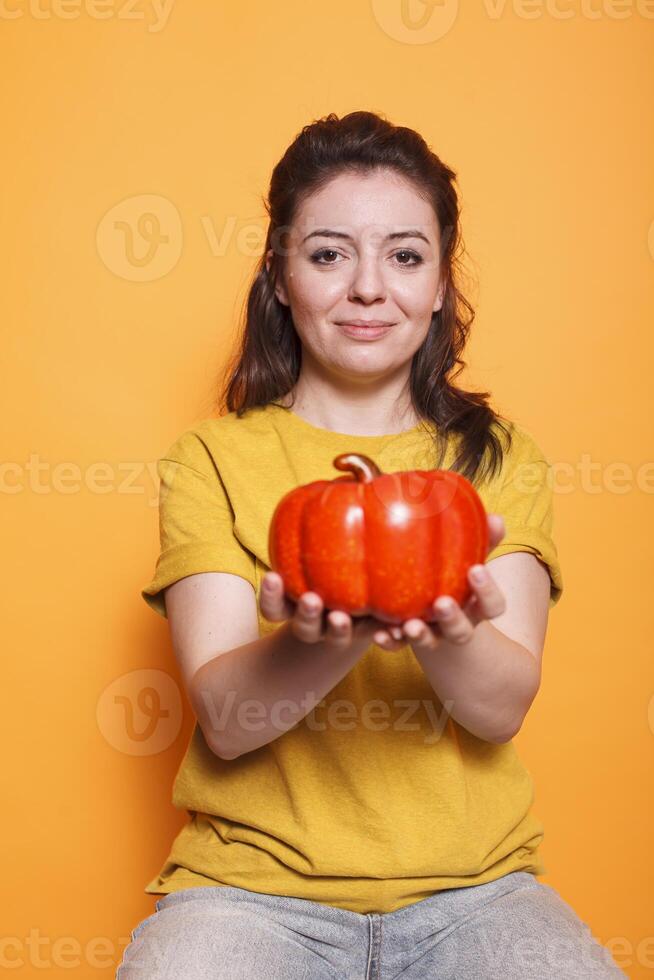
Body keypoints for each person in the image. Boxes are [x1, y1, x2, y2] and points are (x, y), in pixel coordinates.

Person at [117, 111, 625, 978]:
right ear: (280, 274)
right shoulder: (212, 459)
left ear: (438, 285)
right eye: (326, 254)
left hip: (478, 893)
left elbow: (500, 710)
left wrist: (447, 623)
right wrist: (333, 628)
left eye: (403, 255)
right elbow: (230, 725)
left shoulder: (496, 457)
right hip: (248, 894)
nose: (366, 288)